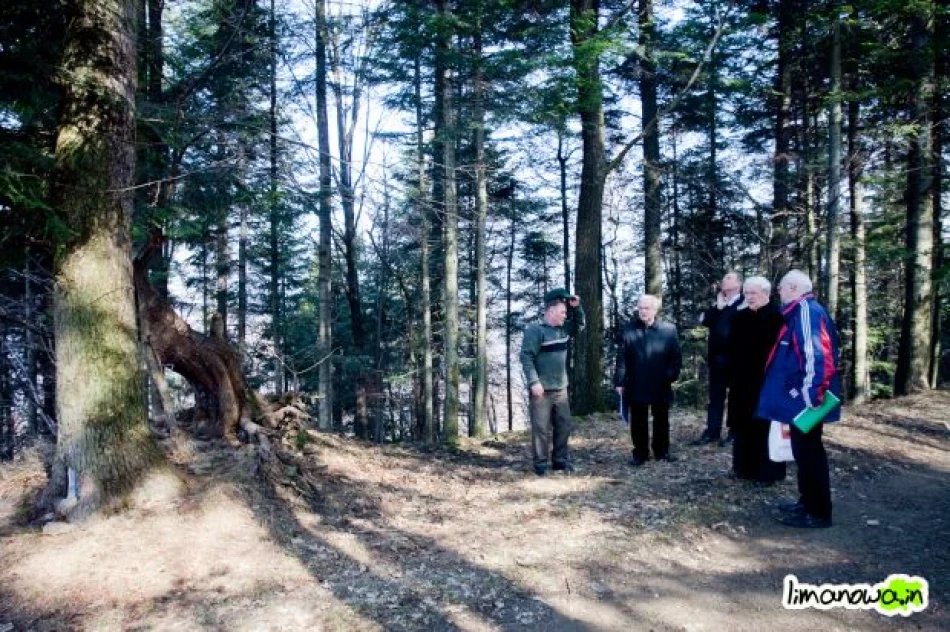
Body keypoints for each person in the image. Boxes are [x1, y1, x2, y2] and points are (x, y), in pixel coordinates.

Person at [757, 270, 841, 529]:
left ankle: (818, 512)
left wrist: (811, 395)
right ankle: (807, 503)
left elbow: (816, 356)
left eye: (781, 288)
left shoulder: (807, 311)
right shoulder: (799, 311)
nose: (778, 292)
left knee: (810, 452)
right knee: (803, 451)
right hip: (800, 399)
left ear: (794, 288)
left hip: (807, 400)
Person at [725, 276, 786, 484]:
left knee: (765, 426)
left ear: (766, 293)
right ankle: (742, 468)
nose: (749, 297)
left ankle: (768, 473)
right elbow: (731, 349)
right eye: (746, 293)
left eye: (753, 293)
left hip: (768, 381)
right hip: (741, 381)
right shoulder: (739, 317)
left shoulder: (778, 317)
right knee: (742, 424)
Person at [520, 288, 585, 476]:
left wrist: (577, 308)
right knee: (541, 428)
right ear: (551, 311)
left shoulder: (564, 329)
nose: (565, 315)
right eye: (562, 312)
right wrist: (534, 382)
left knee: (564, 425)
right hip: (542, 389)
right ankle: (540, 464)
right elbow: (526, 357)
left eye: (566, 312)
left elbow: (580, 325)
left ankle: (560, 461)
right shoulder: (535, 331)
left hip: (561, 388)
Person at [614, 294, 683, 466]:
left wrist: (670, 376)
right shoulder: (628, 330)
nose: (643, 312)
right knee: (638, 420)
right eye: (641, 308)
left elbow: (676, 357)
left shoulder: (669, 330)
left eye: (647, 308)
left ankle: (662, 451)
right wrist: (619, 381)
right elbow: (622, 358)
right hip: (636, 382)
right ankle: (640, 454)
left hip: (661, 382)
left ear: (655, 309)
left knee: (661, 418)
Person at [695, 272, 744, 447]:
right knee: (715, 397)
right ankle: (712, 431)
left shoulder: (744, 302)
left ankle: (734, 432)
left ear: (739, 284)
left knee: (736, 398)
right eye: (723, 278)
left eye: (729, 278)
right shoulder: (718, 304)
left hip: (736, 360)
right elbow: (704, 320)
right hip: (716, 360)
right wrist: (718, 307)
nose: (724, 280)